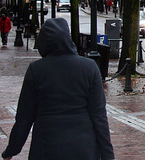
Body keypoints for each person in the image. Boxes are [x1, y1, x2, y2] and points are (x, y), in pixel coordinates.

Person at [1, 18, 114, 160]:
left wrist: (11, 150)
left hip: (46, 146)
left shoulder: (36, 70)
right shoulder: (89, 67)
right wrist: (108, 155)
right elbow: (99, 116)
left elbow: (24, 117)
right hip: (83, 146)